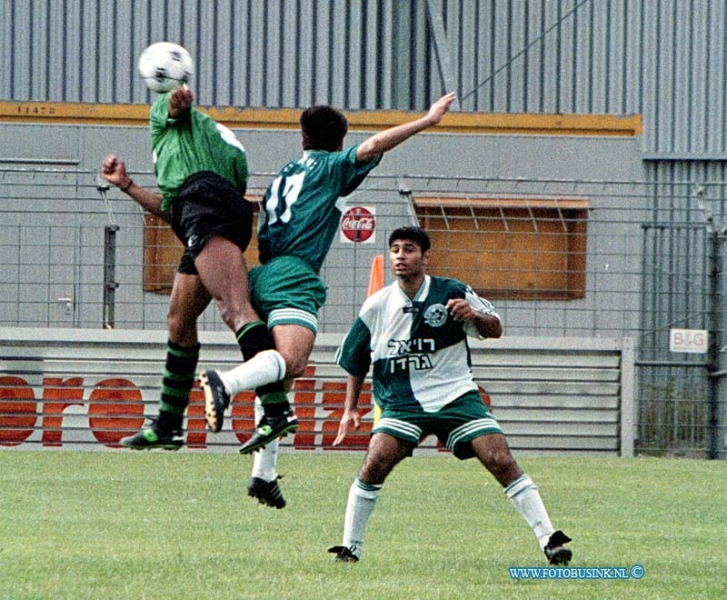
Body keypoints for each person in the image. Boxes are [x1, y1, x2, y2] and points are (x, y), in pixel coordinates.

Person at [199, 93, 457, 508]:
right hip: (293, 274)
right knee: (294, 360)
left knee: (280, 378)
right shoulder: (329, 166)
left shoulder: (286, 171)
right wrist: (426, 121)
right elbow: (373, 147)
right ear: (339, 142)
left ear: (302, 137)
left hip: (261, 273)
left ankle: (263, 477)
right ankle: (224, 384)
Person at [327, 226, 572, 565]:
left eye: (409, 249)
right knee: (376, 461)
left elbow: (495, 329)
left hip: (455, 395)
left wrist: (474, 315)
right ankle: (350, 547)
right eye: (395, 249)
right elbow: (356, 358)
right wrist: (350, 408)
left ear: (425, 257)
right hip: (402, 402)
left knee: (499, 457)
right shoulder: (377, 305)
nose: (400, 256)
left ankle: (550, 538)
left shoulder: (452, 291)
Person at [101, 85, 274, 450]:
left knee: (235, 309)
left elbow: (174, 108)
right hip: (204, 211)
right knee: (179, 320)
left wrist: (173, 100)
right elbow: (175, 208)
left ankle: (276, 408)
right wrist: (127, 185)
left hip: (204, 207)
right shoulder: (222, 148)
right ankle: (168, 425)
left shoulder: (167, 124)